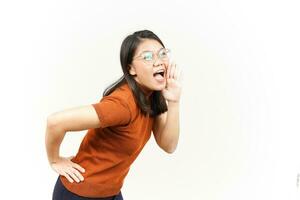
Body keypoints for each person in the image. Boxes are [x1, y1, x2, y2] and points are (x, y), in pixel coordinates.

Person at [45, 30, 183, 200]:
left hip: (111, 192)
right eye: (147, 57)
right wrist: (55, 160)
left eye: (162, 54)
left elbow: (168, 145)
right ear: (131, 69)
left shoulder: (152, 97)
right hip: (80, 193)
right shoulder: (122, 105)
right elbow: (55, 122)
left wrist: (174, 101)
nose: (158, 62)